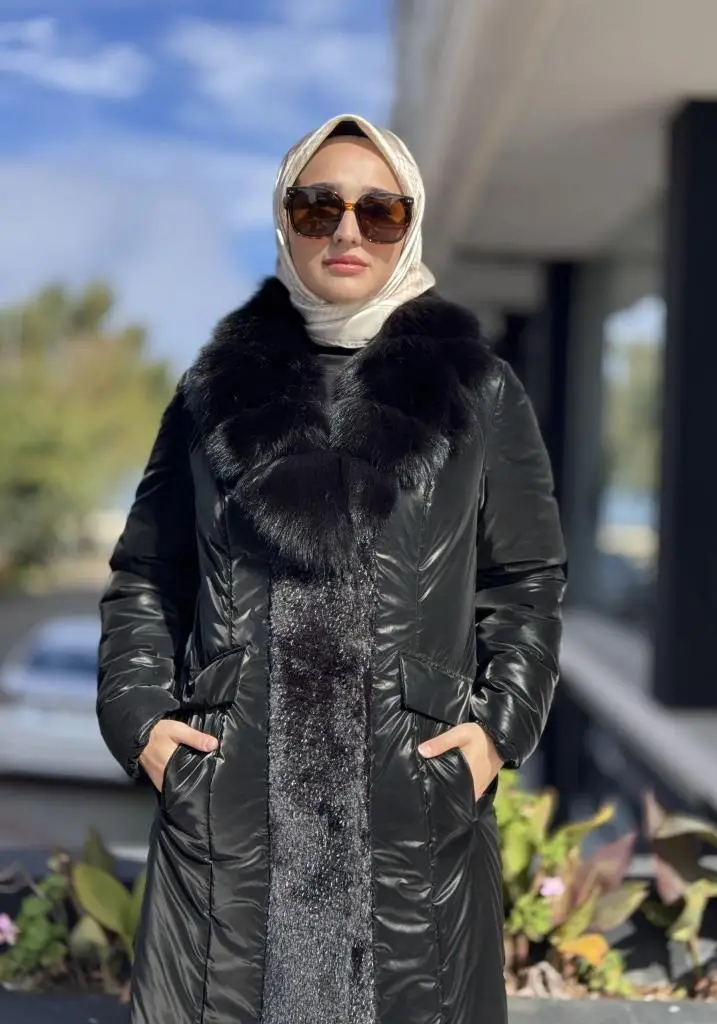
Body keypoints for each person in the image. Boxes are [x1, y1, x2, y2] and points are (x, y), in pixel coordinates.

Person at [96, 112, 567, 1024]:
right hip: (234, 806)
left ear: (409, 223)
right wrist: (141, 720)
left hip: (410, 797)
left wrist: (495, 732)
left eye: (378, 211)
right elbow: (148, 572)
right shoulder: (211, 394)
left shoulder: (478, 392)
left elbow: (526, 579)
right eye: (319, 208)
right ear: (285, 221)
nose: (348, 231)